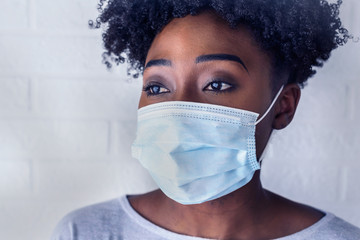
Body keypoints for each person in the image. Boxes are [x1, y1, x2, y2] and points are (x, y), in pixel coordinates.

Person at [51, 0, 360, 239]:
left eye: (217, 85)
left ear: (283, 107)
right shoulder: (86, 232)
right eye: (157, 87)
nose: (180, 109)